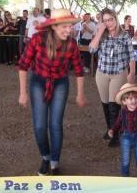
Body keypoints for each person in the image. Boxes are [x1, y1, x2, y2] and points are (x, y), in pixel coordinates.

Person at [18, 9, 87, 176]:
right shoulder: (37, 39)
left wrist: (80, 93)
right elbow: (23, 65)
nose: (68, 30)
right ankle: (45, 157)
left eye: (70, 26)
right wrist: (23, 92)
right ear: (54, 27)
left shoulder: (71, 44)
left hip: (60, 82)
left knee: (55, 125)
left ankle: (55, 162)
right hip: (38, 81)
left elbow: (79, 70)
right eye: (64, 26)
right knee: (40, 125)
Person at [89, 8, 135, 147]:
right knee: (105, 103)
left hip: (119, 73)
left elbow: (131, 55)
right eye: (105, 21)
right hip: (102, 73)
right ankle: (110, 129)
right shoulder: (101, 34)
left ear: (116, 19)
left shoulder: (124, 35)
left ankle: (115, 134)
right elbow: (91, 49)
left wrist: (132, 72)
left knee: (113, 104)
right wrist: (100, 31)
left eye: (110, 19)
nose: (109, 23)